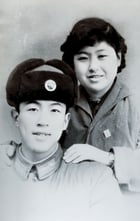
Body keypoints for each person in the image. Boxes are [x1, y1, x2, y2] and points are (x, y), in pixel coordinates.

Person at [0, 58, 126, 221]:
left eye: (54, 110)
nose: (43, 121)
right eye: (32, 109)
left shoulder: (95, 178)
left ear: (65, 121)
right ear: (16, 117)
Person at [60, 17, 140, 192]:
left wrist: (108, 158)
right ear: (72, 64)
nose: (93, 67)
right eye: (83, 58)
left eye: (102, 56)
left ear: (118, 58)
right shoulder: (62, 104)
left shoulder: (136, 105)